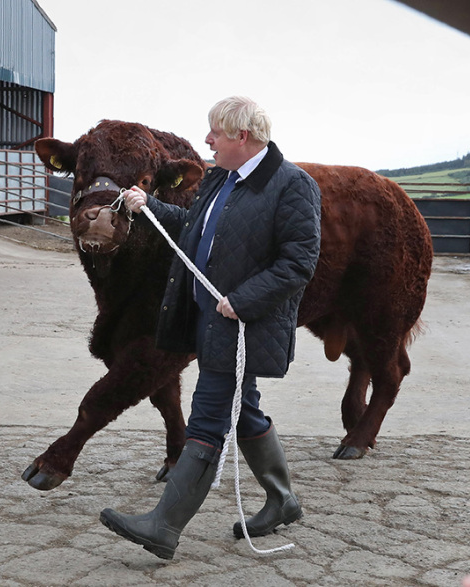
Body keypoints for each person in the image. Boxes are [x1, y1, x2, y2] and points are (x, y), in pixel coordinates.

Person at [99, 96, 322, 560]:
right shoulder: (223, 177)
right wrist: (150, 206)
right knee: (244, 411)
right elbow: (195, 227)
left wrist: (242, 301)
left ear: (242, 136)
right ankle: (282, 500)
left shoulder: (292, 186)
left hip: (242, 325)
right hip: (208, 319)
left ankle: (163, 526)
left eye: (215, 133)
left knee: (207, 419)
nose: (207, 141)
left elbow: (299, 261)